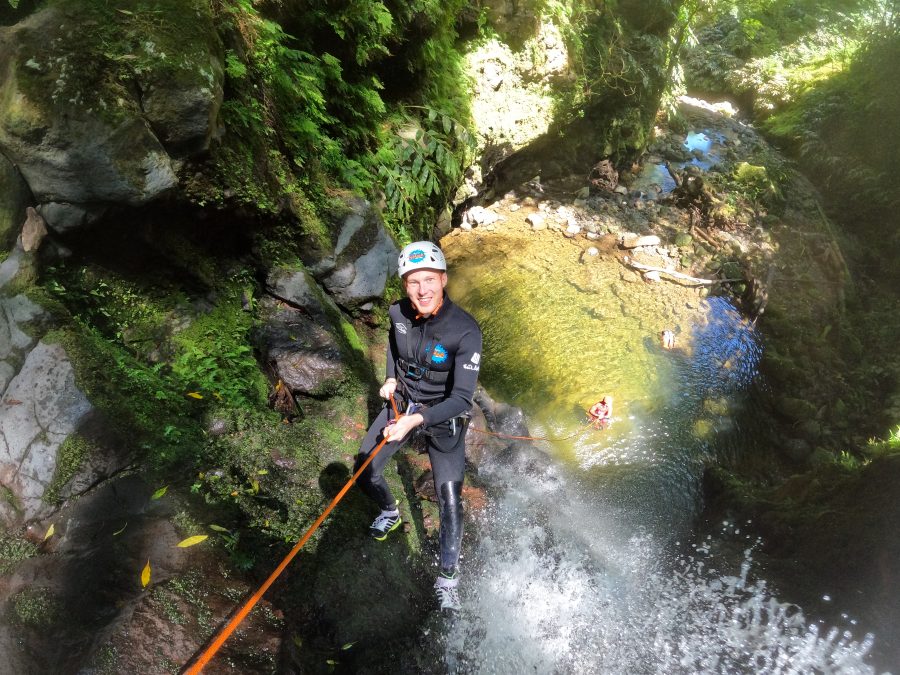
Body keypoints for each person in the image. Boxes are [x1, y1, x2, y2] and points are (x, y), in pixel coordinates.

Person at [354, 240, 483, 613]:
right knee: (366, 468)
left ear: (443, 279)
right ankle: (391, 513)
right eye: (413, 282)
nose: (422, 290)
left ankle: (447, 579)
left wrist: (418, 419)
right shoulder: (397, 313)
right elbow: (394, 350)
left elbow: (462, 398)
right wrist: (391, 379)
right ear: (404, 285)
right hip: (402, 404)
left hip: (443, 419)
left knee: (451, 503)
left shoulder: (465, 330)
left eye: (429, 280)